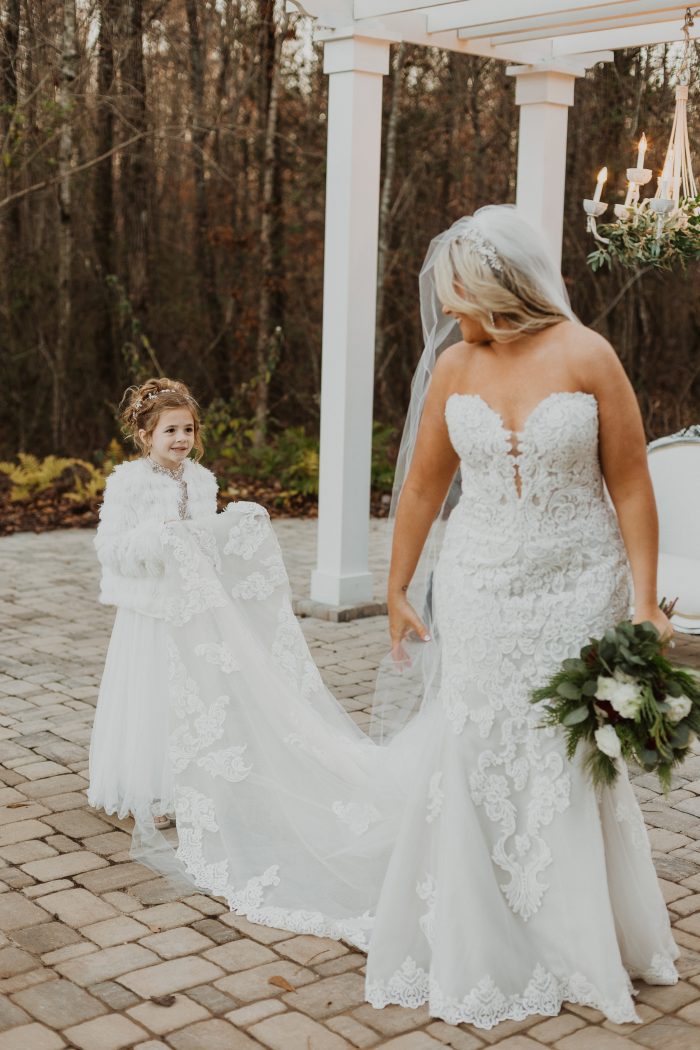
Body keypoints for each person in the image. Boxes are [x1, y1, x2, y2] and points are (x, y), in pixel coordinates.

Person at [113, 207, 679, 1030]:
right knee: (479, 738)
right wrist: (399, 584)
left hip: (577, 580)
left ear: (499, 287)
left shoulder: (588, 354)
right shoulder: (456, 368)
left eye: (458, 295)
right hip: (481, 582)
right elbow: (420, 487)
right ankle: (480, 920)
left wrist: (639, 597)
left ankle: (575, 929)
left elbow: (630, 482)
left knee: (563, 745)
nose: (448, 310)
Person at [87, 378, 218, 832]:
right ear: (145, 436)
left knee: (193, 692)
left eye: (188, 429)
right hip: (150, 609)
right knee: (153, 694)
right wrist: (159, 537)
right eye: (170, 431)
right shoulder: (129, 482)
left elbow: (206, 539)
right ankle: (153, 787)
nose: (182, 439)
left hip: (193, 604)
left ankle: (192, 779)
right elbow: (111, 546)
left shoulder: (203, 481)